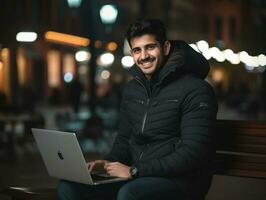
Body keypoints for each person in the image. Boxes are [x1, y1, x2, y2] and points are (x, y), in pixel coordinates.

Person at [57, 18, 218, 200]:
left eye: (150, 47)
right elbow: (125, 139)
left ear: (165, 48)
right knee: (70, 187)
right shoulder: (133, 89)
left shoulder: (196, 90)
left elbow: (193, 152)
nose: (143, 56)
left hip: (182, 182)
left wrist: (134, 170)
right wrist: (108, 163)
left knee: (130, 194)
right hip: (138, 176)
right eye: (137, 50)